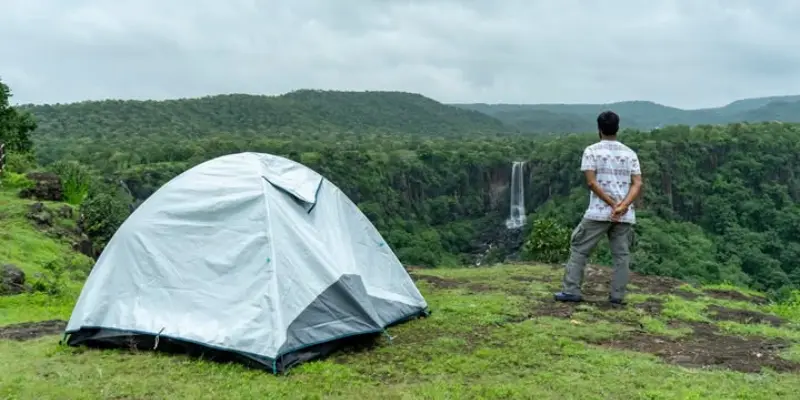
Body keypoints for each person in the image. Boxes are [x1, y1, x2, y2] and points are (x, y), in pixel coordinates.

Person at [553, 110, 643, 305]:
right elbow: (637, 183)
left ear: (599, 129)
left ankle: (571, 290)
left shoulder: (591, 151)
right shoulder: (630, 153)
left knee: (579, 248)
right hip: (624, 215)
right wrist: (622, 206)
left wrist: (612, 205)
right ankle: (617, 297)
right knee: (621, 256)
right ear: (617, 128)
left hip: (598, 213)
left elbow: (591, 183)